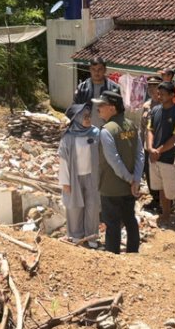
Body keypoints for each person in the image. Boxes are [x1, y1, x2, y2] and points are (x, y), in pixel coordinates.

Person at [93, 91, 144, 254]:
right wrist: (135, 179)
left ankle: (112, 257)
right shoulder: (131, 125)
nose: (98, 108)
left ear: (112, 108)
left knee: (112, 223)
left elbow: (113, 160)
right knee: (130, 219)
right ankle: (133, 252)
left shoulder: (107, 130)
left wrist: (130, 179)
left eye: (101, 105)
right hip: (130, 187)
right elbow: (140, 154)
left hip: (111, 187)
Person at [57, 104, 101, 248]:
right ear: (76, 119)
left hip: (92, 177)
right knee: (74, 207)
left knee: (92, 207)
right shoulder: (68, 138)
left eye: (89, 116)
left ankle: (92, 236)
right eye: (85, 117)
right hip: (74, 178)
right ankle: (76, 235)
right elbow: (63, 161)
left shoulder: (95, 132)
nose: (88, 119)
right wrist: (65, 182)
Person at [147, 82, 175, 226]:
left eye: (163, 94)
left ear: (172, 95)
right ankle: (166, 214)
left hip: (169, 158)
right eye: (159, 93)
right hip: (155, 156)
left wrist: (159, 150)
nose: (160, 96)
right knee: (162, 188)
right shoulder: (155, 110)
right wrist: (150, 148)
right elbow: (149, 129)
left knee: (173, 190)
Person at [74, 56, 120, 127]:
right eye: (93, 69)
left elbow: (119, 111)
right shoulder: (82, 88)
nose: (96, 72)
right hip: (86, 130)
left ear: (105, 70)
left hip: (107, 130)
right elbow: (75, 109)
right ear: (90, 70)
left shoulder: (114, 88)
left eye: (100, 69)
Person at [141, 75, 163, 212]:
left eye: (155, 86)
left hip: (161, 147)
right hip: (147, 147)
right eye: (149, 86)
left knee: (162, 175)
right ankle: (155, 199)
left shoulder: (166, 105)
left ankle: (165, 203)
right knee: (149, 174)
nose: (151, 89)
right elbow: (142, 128)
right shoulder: (146, 106)